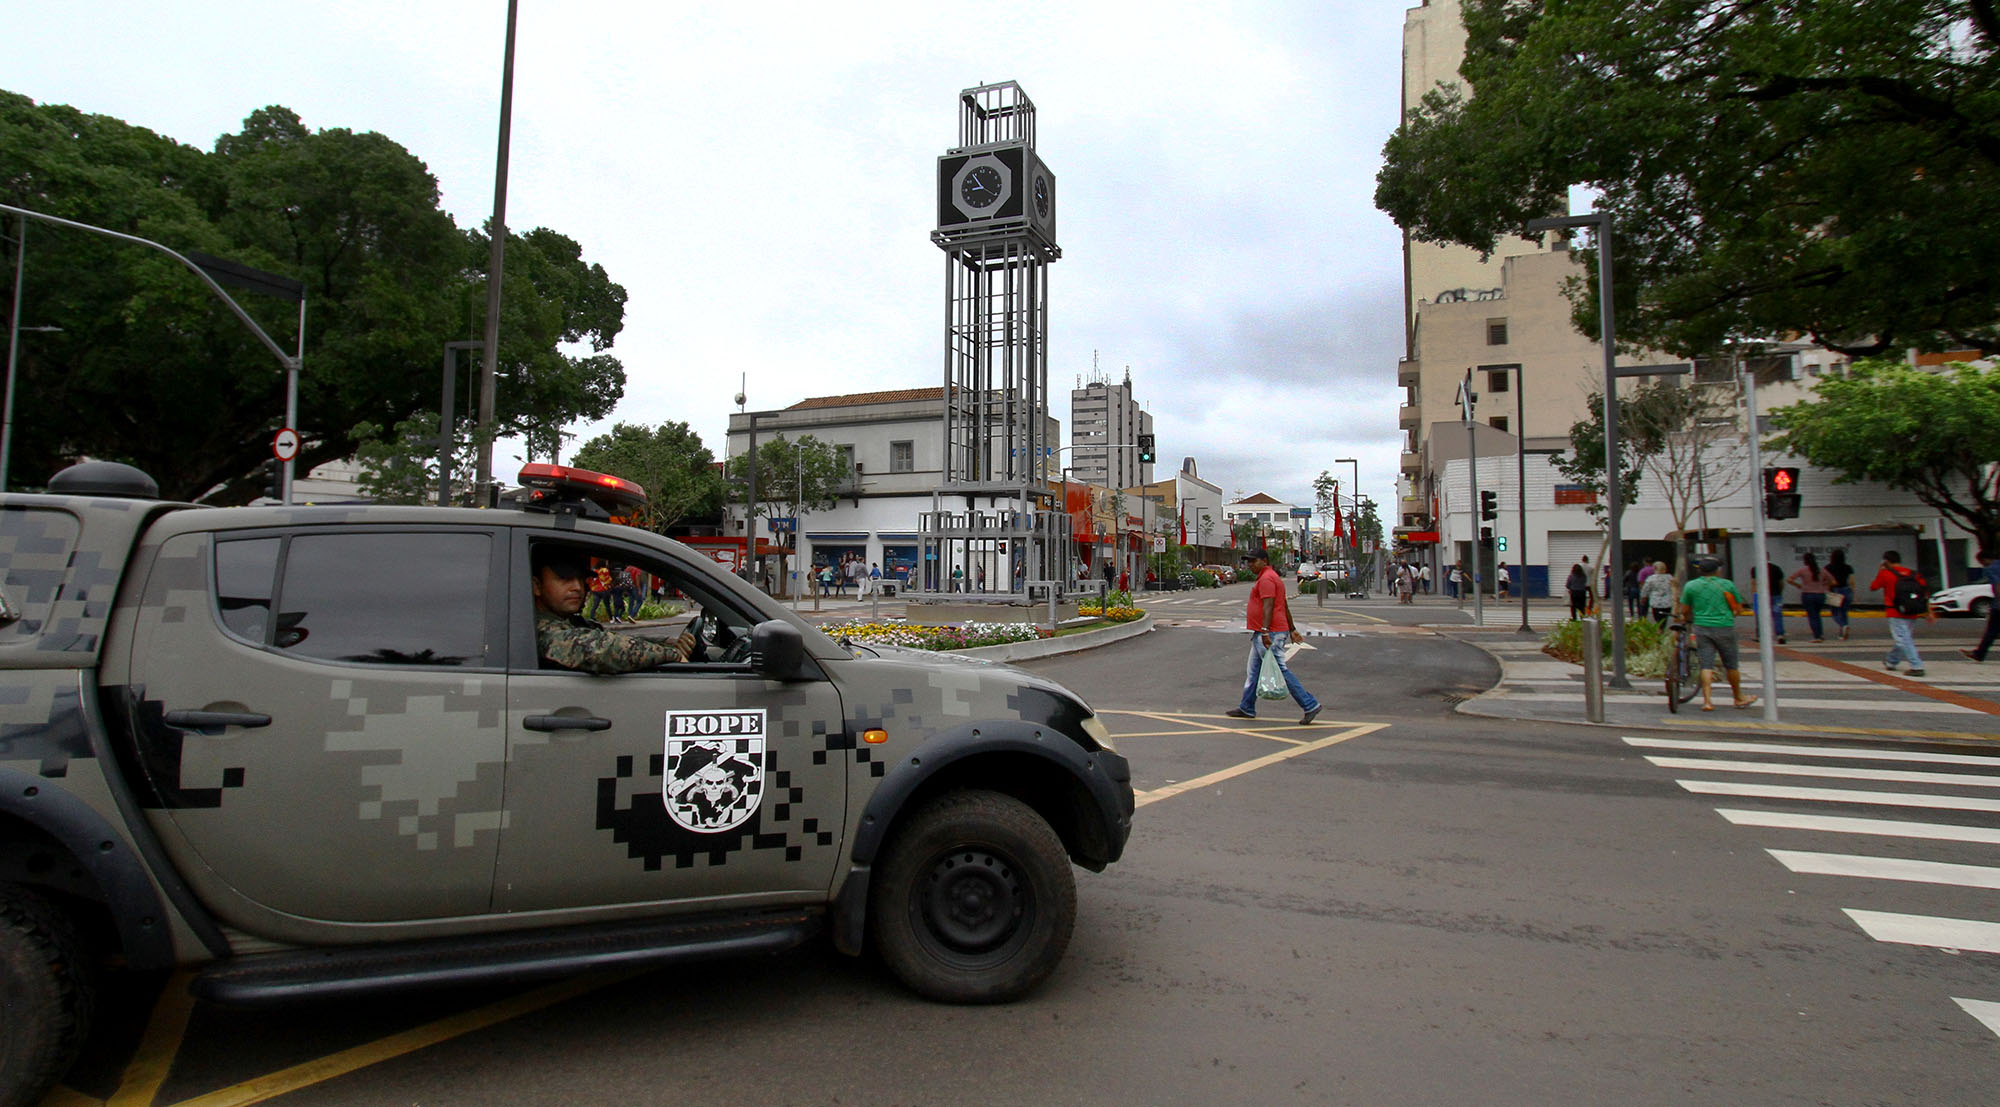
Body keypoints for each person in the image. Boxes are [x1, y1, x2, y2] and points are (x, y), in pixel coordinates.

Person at [531, 548, 696, 674]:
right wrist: (670, 655)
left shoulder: (570, 622)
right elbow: (601, 648)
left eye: (581, 579)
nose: (577, 587)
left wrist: (667, 643)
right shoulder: (538, 629)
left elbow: (611, 637)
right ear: (537, 586)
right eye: (564, 579)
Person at [1223, 549, 1321, 725]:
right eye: (1248, 562)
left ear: (1264, 561)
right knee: (1253, 672)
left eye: (1254, 561)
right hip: (1267, 632)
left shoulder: (1267, 579)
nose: (1250, 564)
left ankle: (1309, 704)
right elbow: (1283, 604)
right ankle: (1247, 706)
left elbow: (1269, 606)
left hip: (1270, 633)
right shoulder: (1269, 576)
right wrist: (1291, 629)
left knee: (1280, 669)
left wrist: (1265, 631)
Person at [1677, 556, 1758, 711]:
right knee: (1731, 665)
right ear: (1717, 571)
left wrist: (1687, 618)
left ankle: (1707, 701)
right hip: (1725, 627)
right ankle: (1738, 697)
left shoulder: (1691, 586)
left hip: (1702, 627)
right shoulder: (1727, 585)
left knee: (1706, 664)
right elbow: (1738, 608)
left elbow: (1685, 609)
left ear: (1700, 570)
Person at [1870, 549, 1936, 676]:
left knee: (1903, 640)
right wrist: (1929, 611)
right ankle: (1891, 661)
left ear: (1886, 561)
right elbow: (1925, 592)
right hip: (1912, 611)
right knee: (1904, 639)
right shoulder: (1914, 574)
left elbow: (1873, 587)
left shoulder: (1885, 573)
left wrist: (1880, 571)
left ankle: (1916, 666)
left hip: (1895, 612)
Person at [1962, 547, 2000, 663]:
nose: (1982, 565)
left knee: (1991, 630)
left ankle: (1979, 654)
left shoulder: (1991, 569)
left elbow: (1998, 585)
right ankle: (1979, 653)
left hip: (1998, 605)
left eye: (1981, 562)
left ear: (1984, 559)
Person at [1787, 553, 1834, 643]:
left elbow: (1789, 579)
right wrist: (1824, 584)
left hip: (1807, 594)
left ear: (1805, 561)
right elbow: (1833, 581)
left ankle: (1817, 636)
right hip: (1820, 595)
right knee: (1817, 615)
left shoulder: (1802, 570)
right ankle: (1820, 634)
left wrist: (1798, 585)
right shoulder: (1822, 570)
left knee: (1812, 616)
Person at [1825, 549, 1855, 639]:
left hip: (1835, 591)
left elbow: (1826, 580)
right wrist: (1854, 593)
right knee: (1844, 612)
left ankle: (1843, 625)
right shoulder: (1848, 567)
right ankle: (1843, 634)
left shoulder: (1828, 567)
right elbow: (1852, 581)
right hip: (1847, 590)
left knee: (1834, 613)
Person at [1760, 560, 1787, 644]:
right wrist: (1780, 592)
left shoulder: (1758, 568)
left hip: (1763, 596)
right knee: (1777, 615)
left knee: (1763, 615)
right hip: (1776, 595)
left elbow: (1754, 582)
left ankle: (1763, 634)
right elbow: (1781, 582)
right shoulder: (1776, 568)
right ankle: (1780, 635)